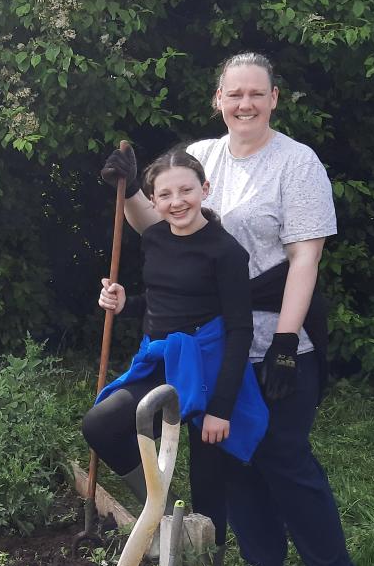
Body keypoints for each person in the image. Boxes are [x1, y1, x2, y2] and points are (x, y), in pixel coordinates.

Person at [103, 53, 364, 566]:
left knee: (283, 454)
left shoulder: (296, 163)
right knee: (236, 457)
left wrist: (286, 343)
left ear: (274, 98)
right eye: (234, 94)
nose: (245, 104)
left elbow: (305, 259)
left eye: (256, 93)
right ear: (218, 99)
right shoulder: (203, 156)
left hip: (276, 330)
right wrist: (129, 190)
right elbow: (164, 232)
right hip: (218, 346)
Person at [81, 147, 268, 521]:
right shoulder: (155, 238)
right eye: (165, 194)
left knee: (209, 475)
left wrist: (220, 409)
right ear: (153, 200)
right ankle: (166, 516)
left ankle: (208, 548)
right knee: (100, 426)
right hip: (161, 362)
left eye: (186, 190)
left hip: (208, 367)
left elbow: (239, 330)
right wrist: (125, 303)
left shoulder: (226, 252)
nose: (177, 202)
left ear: (205, 189)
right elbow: (163, 299)